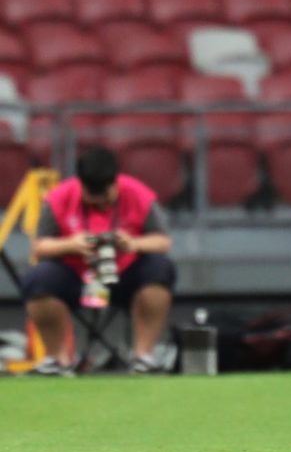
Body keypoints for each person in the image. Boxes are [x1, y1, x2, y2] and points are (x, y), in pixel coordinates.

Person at [21, 147, 176, 376]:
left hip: (124, 273)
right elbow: (39, 246)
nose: (100, 202)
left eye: (104, 195)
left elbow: (163, 242)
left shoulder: (138, 194)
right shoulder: (59, 197)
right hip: (76, 275)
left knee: (159, 268)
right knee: (38, 277)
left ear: (115, 183)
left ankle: (143, 356)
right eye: (92, 195)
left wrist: (133, 243)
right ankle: (57, 359)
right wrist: (70, 244)